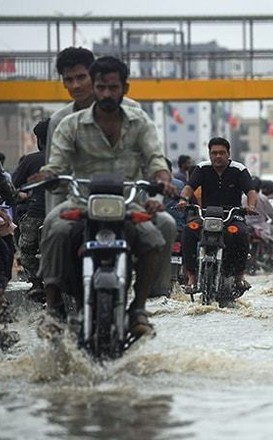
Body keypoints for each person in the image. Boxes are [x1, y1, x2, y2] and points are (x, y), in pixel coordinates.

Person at [34, 56, 176, 337]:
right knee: (54, 228)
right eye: (101, 87)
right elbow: (57, 162)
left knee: (160, 231)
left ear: (124, 88)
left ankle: (139, 308)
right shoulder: (69, 124)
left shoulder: (140, 121)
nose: (106, 94)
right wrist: (48, 174)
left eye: (113, 88)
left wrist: (162, 179)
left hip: (129, 203)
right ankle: (52, 309)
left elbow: (155, 159)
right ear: (95, 87)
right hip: (81, 202)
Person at [45, 47, 142, 214]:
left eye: (81, 77)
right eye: (69, 79)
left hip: (127, 202)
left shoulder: (132, 111)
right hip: (79, 205)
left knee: (163, 226)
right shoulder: (59, 121)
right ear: (63, 83)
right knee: (53, 227)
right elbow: (55, 176)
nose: (75, 85)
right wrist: (52, 215)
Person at [177, 137, 258, 292]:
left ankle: (239, 276)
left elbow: (251, 191)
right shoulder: (202, 168)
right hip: (206, 215)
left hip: (232, 216)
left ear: (228, 154)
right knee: (188, 230)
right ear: (209, 154)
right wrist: (183, 200)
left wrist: (251, 206)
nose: (218, 156)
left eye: (222, 153)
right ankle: (192, 277)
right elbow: (189, 187)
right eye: (214, 153)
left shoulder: (239, 169)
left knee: (242, 233)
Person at [12, 119, 48, 301]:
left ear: (39, 140)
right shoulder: (73, 158)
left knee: (26, 249)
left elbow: (13, 184)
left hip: (37, 213)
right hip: (67, 212)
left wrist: (16, 195)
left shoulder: (31, 159)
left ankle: (36, 284)